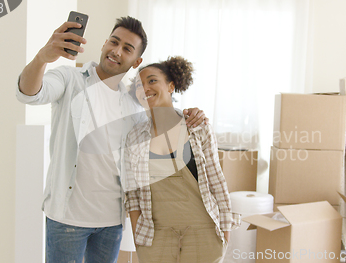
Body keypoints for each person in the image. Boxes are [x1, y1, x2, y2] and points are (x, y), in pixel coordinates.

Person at [16, 16, 207, 263]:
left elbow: (162, 129)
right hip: (67, 220)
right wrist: (43, 57)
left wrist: (192, 115)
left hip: (112, 223)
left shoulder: (134, 102)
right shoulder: (70, 79)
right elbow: (29, 94)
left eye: (127, 48)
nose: (116, 51)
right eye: (114, 42)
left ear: (136, 61)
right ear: (105, 42)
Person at [124, 56, 240, 263]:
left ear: (170, 85)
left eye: (152, 80)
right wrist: (137, 236)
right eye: (139, 86)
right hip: (155, 237)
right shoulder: (134, 137)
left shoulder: (198, 127)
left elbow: (216, 179)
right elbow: (132, 193)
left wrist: (225, 231)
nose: (145, 88)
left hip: (203, 232)